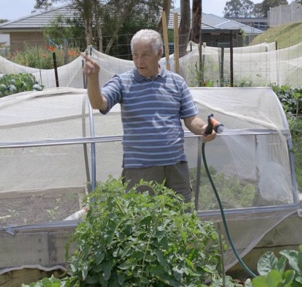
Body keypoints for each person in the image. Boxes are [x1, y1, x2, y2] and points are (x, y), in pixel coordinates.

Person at [82, 29, 216, 202]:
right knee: (142, 223)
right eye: (135, 55)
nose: (139, 61)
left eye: (145, 55)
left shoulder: (176, 82)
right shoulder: (123, 82)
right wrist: (93, 78)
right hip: (139, 169)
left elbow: (191, 120)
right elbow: (98, 103)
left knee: (182, 219)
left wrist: (204, 129)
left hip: (175, 166)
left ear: (159, 53)